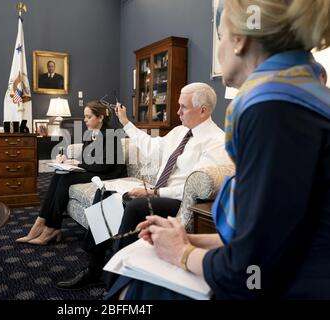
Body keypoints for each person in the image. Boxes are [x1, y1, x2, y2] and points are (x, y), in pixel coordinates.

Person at [107, 0, 330, 299]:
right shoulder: (300, 95)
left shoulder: (273, 110)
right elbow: (269, 235)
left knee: (134, 291)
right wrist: (190, 240)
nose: (220, 48)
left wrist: (181, 253)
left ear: (239, 40)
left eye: (220, 37)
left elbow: (250, 270)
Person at [56, 83, 232, 290]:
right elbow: (150, 147)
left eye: (183, 107)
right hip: (158, 192)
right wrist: (126, 122)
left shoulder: (216, 142)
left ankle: (116, 281)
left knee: (134, 206)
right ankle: (94, 267)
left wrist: (155, 192)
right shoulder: (179, 132)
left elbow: (193, 186)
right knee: (105, 193)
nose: (177, 112)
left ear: (202, 110)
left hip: (178, 201)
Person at [16, 100, 127, 245]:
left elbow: (105, 165)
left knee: (66, 179)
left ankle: (52, 228)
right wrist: (67, 160)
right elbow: (87, 158)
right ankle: (41, 222)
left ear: (100, 118)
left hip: (109, 174)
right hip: (97, 170)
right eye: (84, 116)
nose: (85, 120)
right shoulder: (91, 134)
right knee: (60, 174)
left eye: (88, 117)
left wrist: (78, 164)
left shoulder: (111, 134)